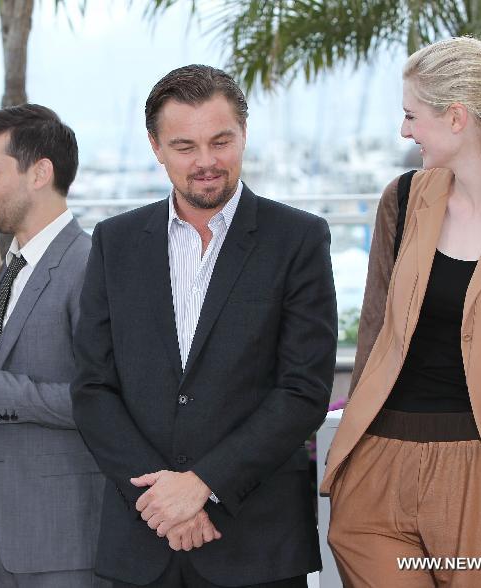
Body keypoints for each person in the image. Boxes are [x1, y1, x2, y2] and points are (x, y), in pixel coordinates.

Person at [71, 64, 338, 587]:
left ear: (243, 134)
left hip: (255, 544)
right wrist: (160, 501)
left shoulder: (298, 238)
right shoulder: (114, 242)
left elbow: (303, 389)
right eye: (185, 146)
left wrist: (204, 484)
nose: (206, 162)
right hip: (140, 541)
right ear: (156, 147)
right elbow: (93, 388)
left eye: (221, 141)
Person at [321, 37, 481, 587]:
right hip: (379, 468)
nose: (404, 131)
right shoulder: (400, 200)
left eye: (410, 115)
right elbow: (374, 330)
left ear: (455, 117)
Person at [0, 103, 109, 587]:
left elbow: (95, 402)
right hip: (6, 541)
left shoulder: (89, 264)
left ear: (40, 173)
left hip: (66, 540)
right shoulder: (12, 264)